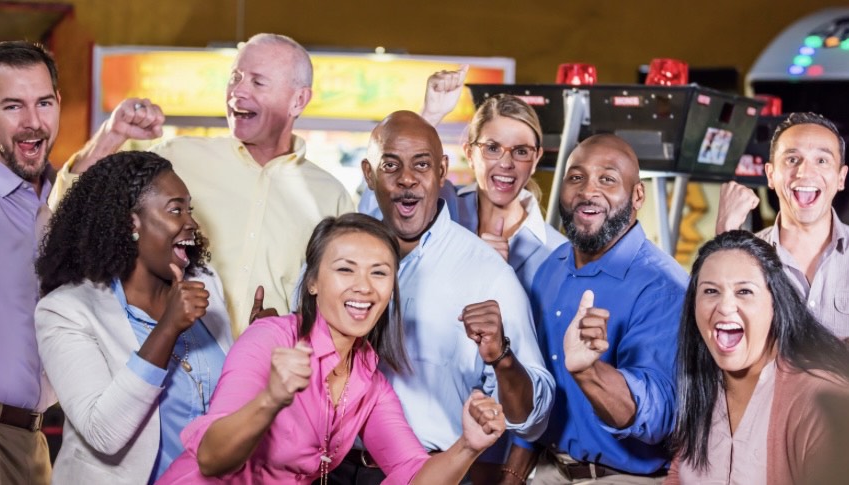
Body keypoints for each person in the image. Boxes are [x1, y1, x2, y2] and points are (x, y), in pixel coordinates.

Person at [158, 213, 506, 484]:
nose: (364, 288)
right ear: (312, 282)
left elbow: (414, 475)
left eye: (379, 273)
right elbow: (210, 458)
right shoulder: (269, 339)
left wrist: (468, 446)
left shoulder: (368, 381)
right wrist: (271, 399)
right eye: (345, 270)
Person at [50, 33, 354, 336]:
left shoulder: (330, 197)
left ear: (298, 100)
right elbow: (70, 214)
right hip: (172, 364)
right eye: (235, 78)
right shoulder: (177, 158)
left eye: (257, 82)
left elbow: (339, 301)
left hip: (271, 374)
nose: (238, 92)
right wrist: (112, 135)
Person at [344, 111, 553, 484]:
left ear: (442, 170)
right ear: (368, 173)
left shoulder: (488, 274)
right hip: (333, 469)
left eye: (421, 164)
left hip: (435, 473)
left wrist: (502, 358)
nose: (407, 178)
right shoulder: (337, 259)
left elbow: (532, 418)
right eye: (390, 165)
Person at [35, 151, 233, 484]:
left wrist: (260, 342)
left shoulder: (206, 282)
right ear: (131, 223)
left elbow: (227, 404)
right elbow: (104, 434)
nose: (191, 223)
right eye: (175, 210)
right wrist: (168, 328)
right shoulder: (67, 311)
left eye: (190, 209)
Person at [502, 134, 688, 484]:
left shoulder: (664, 286)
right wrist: (512, 474)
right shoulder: (551, 267)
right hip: (547, 469)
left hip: (622, 477)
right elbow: (541, 394)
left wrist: (590, 373)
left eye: (607, 179)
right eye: (576, 177)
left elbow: (659, 419)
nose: (588, 191)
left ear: (637, 197)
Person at [360, 68, 566, 296]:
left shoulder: (555, 251)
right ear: (469, 153)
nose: (506, 163)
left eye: (521, 151)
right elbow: (373, 216)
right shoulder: (441, 204)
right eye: (492, 148)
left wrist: (498, 278)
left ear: (536, 158)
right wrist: (429, 115)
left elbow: (537, 330)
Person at [668, 230, 849, 484]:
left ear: (775, 304)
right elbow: (679, 474)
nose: (725, 306)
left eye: (744, 291)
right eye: (710, 291)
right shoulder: (700, 384)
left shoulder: (817, 399)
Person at [0, 40, 62, 485]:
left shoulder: (59, 199)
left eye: (44, 102)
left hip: (33, 440)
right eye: (13, 106)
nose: (34, 122)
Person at [716, 112, 848, 338]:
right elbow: (722, 339)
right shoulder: (742, 256)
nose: (805, 172)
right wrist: (724, 237)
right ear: (770, 175)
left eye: (822, 160)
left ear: (841, 178)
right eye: (792, 160)